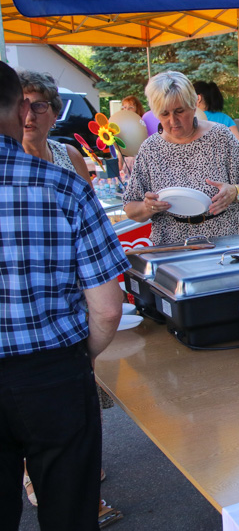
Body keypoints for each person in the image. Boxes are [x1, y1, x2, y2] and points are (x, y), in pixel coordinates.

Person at [0, 61, 129, 530]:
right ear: (17, 109)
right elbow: (108, 308)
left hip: (51, 363)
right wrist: (80, 353)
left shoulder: (66, 171)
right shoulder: (63, 187)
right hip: (53, 369)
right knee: (71, 512)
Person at [123, 71, 239, 246]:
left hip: (224, 239)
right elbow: (130, 208)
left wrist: (235, 191)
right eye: (164, 114)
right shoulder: (150, 149)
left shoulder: (220, 136)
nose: (173, 121)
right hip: (171, 244)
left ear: (193, 105)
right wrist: (147, 207)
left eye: (179, 111)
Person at [17, 69, 92, 185]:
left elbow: (89, 202)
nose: (29, 116)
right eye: (21, 106)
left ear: (55, 115)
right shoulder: (5, 162)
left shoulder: (70, 156)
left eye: (38, 106)